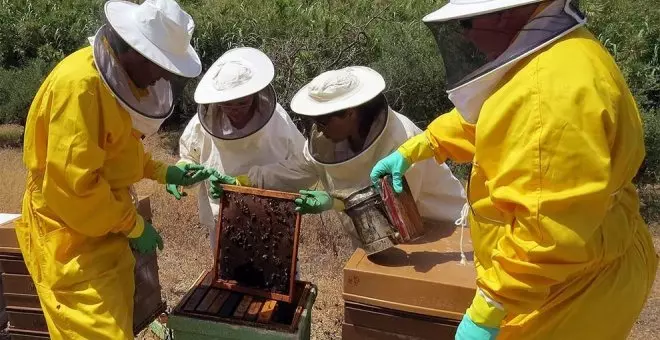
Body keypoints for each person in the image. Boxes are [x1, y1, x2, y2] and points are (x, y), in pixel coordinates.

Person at [370, 1, 658, 339]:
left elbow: (547, 232)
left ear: (502, 14)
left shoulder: (548, 92)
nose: (467, 38)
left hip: (570, 290)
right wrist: (420, 147)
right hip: (579, 267)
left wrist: (489, 309)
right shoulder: (553, 55)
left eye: (466, 24)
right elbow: (489, 119)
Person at [16, 0, 212, 339]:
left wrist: (163, 172)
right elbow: (74, 187)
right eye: (161, 66)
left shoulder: (118, 84)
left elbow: (116, 152)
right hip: (69, 237)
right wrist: (133, 224)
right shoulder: (78, 87)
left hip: (104, 229)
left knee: (119, 326)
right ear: (137, 52)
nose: (163, 76)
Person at [209, 66, 466, 247]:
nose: (317, 127)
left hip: (444, 234)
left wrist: (332, 201)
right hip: (384, 240)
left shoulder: (400, 140)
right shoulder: (328, 139)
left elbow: (393, 211)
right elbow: (295, 169)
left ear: (350, 113)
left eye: (322, 120)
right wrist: (242, 181)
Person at [166, 47, 306, 249]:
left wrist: (248, 182)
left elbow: (303, 167)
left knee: (279, 271)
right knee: (226, 274)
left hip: (272, 216)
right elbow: (190, 155)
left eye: (242, 102)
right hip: (221, 217)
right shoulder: (204, 121)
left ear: (255, 94)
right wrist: (183, 170)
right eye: (227, 104)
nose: (235, 110)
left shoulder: (278, 120)